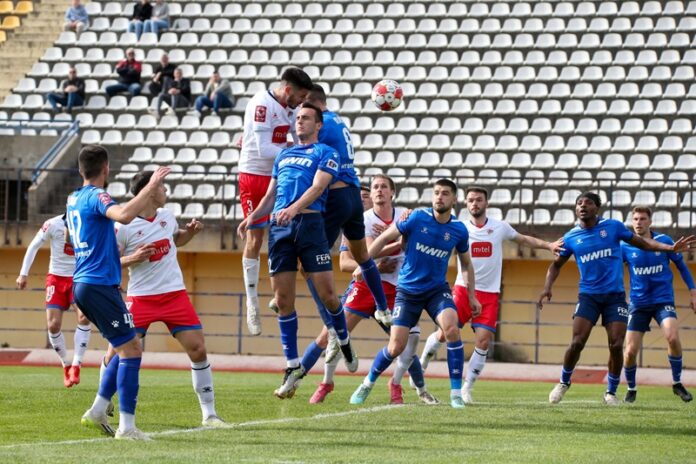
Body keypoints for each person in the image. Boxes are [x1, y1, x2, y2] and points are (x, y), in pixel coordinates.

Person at [237, 103, 358, 399]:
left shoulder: (326, 153)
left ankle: (342, 338)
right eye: (298, 118)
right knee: (282, 299)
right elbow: (270, 194)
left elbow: (318, 188)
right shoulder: (284, 154)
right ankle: (292, 366)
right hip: (280, 228)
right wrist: (254, 217)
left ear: (318, 125)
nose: (299, 122)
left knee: (329, 295)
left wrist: (293, 209)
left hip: (310, 224)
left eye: (306, 118)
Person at [538, 192, 695, 405]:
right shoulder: (571, 237)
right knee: (577, 342)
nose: (583, 206)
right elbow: (556, 265)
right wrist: (547, 287)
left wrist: (670, 248)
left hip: (616, 298)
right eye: (579, 203)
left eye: (588, 203)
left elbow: (644, 244)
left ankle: (611, 392)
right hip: (589, 297)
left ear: (597, 208)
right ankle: (564, 382)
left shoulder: (613, 227)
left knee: (616, 344)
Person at [418, 186, 563, 404]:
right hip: (462, 290)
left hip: (489, 295)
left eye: (478, 200)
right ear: (465, 203)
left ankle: (467, 388)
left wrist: (548, 245)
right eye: (470, 200)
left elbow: (523, 239)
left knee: (483, 342)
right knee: (444, 334)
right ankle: (423, 363)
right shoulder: (460, 227)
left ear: (486, 203)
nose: (474, 204)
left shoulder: (499, 227)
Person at [104, 171, 224, 426]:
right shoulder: (122, 226)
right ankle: (104, 401)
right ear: (149, 191)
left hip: (174, 296)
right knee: (117, 351)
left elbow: (176, 238)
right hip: (141, 298)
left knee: (198, 349)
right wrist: (132, 258)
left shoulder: (167, 217)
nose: (166, 191)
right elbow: (110, 263)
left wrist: (189, 232)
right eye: (162, 187)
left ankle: (209, 415)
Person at [307, 174, 438, 405]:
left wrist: (398, 235)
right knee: (335, 334)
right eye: (374, 187)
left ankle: (414, 388)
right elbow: (361, 257)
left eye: (382, 187)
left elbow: (413, 241)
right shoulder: (362, 220)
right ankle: (325, 382)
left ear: (392, 193)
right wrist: (394, 243)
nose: (377, 191)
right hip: (367, 285)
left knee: (406, 342)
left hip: (397, 287)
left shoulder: (405, 215)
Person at [349, 179, 480, 409]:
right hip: (408, 290)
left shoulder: (458, 230)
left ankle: (456, 393)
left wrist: (471, 296)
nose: (440, 197)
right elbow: (383, 238)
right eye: (437, 193)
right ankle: (367, 384)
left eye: (445, 193)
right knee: (396, 347)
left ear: (454, 199)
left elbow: (466, 264)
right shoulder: (417, 218)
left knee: (452, 328)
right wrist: (363, 263)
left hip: (436, 290)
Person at [69, 144, 169, 440]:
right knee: (132, 349)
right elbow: (124, 215)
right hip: (98, 284)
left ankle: (99, 409)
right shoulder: (97, 196)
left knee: (127, 346)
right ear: (106, 169)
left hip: (86, 283)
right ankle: (126, 426)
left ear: (79, 170)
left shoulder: (73, 197)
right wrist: (150, 185)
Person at [299, 84, 393, 342]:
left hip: (337, 196)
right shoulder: (337, 120)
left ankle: (332, 324)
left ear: (310, 101)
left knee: (308, 264)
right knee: (363, 257)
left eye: (303, 107)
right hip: (353, 193)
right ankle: (383, 309)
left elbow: (306, 155)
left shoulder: (322, 124)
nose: (300, 113)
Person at [238, 67, 313, 336]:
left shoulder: (291, 108)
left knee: (289, 235)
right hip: (255, 175)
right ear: (288, 90)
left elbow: (286, 138)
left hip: (280, 174)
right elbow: (263, 149)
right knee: (255, 238)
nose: (301, 102)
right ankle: (252, 301)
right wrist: (296, 149)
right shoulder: (262, 103)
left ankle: (278, 293)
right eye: (300, 95)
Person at [622, 206, 696, 403]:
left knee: (672, 337)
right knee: (629, 351)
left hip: (663, 300)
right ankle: (631, 388)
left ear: (650, 221)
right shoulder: (625, 246)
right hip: (638, 303)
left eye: (643, 219)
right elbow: (611, 268)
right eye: (635, 219)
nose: (639, 222)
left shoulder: (664, 241)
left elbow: (681, 266)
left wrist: (693, 292)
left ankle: (677, 383)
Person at [16, 214, 91, 388]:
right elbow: (34, 245)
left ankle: (77, 365)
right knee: (53, 325)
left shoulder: (88, 223)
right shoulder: (52, 224)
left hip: (79, 278)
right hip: (56, 279)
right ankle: (66, 365)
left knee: (84, 317)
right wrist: (23, 273)